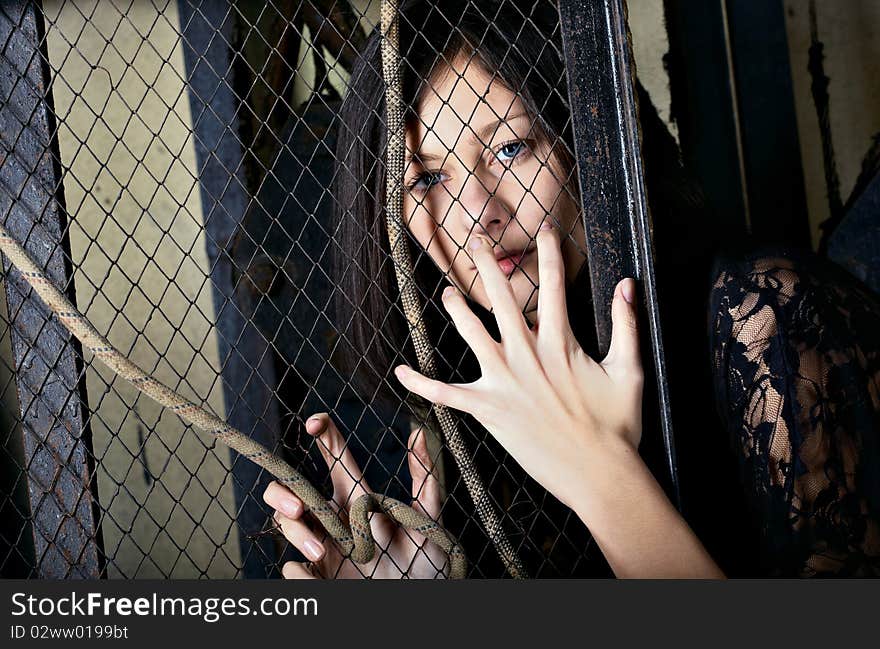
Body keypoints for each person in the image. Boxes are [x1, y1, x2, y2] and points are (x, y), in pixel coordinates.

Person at [262, 0, 880, 578]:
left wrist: (597, 470)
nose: (479, 214)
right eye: (425, 178)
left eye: (510, 149)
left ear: (593, 142)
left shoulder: (772, 319)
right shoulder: (456, 396)